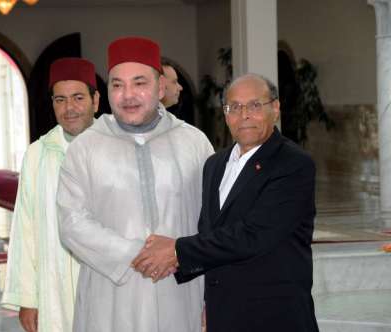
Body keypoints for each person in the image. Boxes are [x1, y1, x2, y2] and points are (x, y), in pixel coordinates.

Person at [132, 74, 319, 332]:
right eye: (234, 107)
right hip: (224, 315)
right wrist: (206, 301)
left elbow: (253, 235)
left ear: (275, 109)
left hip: (275, 317)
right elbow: (211, 234)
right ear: (225, 114)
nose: (244, 115)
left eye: (255, 105)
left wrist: (176, 250)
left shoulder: (293, 164)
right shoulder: (215, 165)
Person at [57, 36, 214, 332]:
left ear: (161, 88)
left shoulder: (193, 142)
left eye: (139, 83)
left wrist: (180, 255)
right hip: (112, 293)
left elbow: (213, 220)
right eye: (117, 85)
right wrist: (137, 254)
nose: (128, 95)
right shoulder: (86, 147)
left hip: (180, 289)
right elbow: (72, 223)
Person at [1, 57, 99, 332]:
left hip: (108, 286)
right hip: (54, 290)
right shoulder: (38, 154)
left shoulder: (118, 147)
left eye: (78, 97)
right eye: (60, 99)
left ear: (96, 100)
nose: (69, 108)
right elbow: (25, 230)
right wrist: (27, 299)